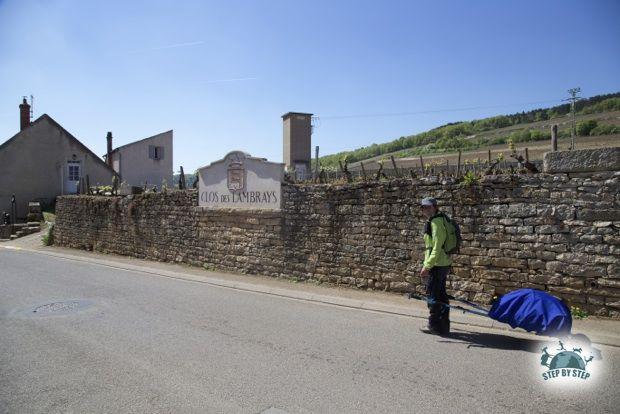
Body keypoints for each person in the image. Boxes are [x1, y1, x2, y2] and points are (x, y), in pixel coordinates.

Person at [419, 197, 453, 336]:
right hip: (442, 263)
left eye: (427, 207)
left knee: (433, 296)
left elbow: (436, 247)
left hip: (437, 264)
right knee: (441, 296)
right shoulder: (440, 219)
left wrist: (427, 266)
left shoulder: (436, 223)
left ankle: (433, 325)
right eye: (423, 207)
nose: (425, 209)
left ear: (434, 207)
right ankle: (444, 326)